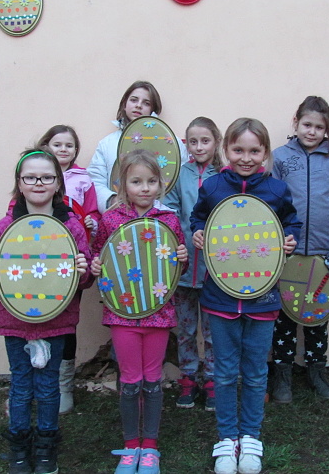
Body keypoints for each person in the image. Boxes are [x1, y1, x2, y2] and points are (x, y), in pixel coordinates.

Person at [191, 118, 301, 474]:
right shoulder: (212, 187)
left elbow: (292, 223)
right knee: (224, 372)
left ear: (265, 153)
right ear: (226, 150)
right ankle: (227, 438)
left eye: (255, 151)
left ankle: (251, 436)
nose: (246, 158)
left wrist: (290, 238)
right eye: (238, 149)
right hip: (220, 297)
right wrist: (197, 232)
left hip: (263, 299)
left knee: (254, 373)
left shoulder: (277, 190)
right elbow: (198, 218)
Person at [0, 149, 92, 474]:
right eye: (30, 177)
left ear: (58, 183)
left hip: (56, 321)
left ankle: (45, 446)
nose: (38, 183)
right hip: (15, 322)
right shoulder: (5, 228)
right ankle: (19, 445)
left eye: (46, 177)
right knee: (21, 385)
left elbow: (83, 277)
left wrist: (83, 271)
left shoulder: (70, 226)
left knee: (47, 386)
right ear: (19, 183)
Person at [91, 150, 188, 474]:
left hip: (159, 314)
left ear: (161, 184)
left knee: (153, 380)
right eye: (136, 181)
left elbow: (175, 267)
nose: (145, 188)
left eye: (151, 181)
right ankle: (131, 446)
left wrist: (183, 257)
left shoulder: (169, 220)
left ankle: (151, 448)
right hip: (123, 315)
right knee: (131, 381)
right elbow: (100, 256)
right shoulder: (111, 220)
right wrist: (95, 265)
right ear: (123, 185)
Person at [269, 96, 329, 403]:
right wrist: (277, 250)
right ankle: (282, 374)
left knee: (318, 316)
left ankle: (317, 371)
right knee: (284, 319)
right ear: (296, 122)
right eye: (307, 124)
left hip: (323, 257)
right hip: (288, 256)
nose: (312, 132)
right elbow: (272, 205)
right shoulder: (280, 157)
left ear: (327, 129)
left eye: (319, 127)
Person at [36, 125, 101, 414]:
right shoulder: (36, 174)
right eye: (57, 144)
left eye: (69, 145)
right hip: (40, 259)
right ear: (46, 146)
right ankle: (40, 382)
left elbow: (94, 211)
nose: (63, 149)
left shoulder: (83, 179)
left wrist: (91, 222)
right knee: (39, 319)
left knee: (66, 322)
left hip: (72, 259)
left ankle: (64, 386)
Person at [164, 117, 222, 410]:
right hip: (184, 268)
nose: (199, 147)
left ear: (216, 142)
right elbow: (170, 212)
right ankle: (188, 377)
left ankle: (211, 379)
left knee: (212, 331)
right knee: (186, 328)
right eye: (193, 141)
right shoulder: (179, 174)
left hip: (214, 271)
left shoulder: (223, 175)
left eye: (205, 141)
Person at [88, 81, 188, 214]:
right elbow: (95, 180)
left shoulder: (172, 143)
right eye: (134, 100)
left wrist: (166, 212)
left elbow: (182, 182)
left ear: (153, 109)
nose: (138, 105)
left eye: (146, 103)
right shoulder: (107, 144)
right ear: (124, 104)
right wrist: (112, 200)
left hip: (159, 218)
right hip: (119, 217)